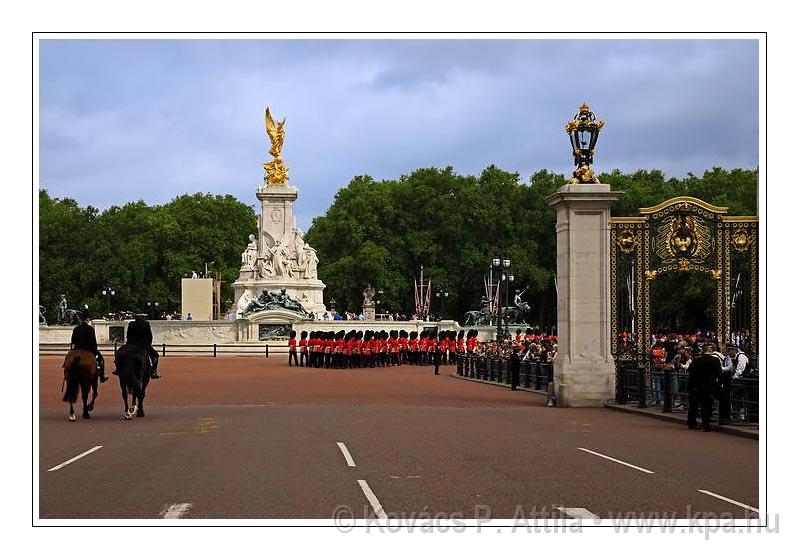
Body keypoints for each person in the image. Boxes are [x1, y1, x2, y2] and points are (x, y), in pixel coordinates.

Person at [686, 344, 721, 431]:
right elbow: (719, 373)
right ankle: (706, 424)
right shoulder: (715, 360)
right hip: (710, 385)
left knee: (695, 405)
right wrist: (719, 383)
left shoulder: (697, 360)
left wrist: (693, 384)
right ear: (710, 351)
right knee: (707, 405)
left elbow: (691, 372)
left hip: (698, 386)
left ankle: (692, 423)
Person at [70, 311, 108, 382]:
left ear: (81, 319)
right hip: (88, 349)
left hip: (77, 350)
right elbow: (93, 342)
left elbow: (73, 341)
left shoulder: (76, 328)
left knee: (68, 360)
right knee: (101, 359)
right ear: (87, 319)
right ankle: (102, 376)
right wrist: (95, 351)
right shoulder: (90, 329)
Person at [720, 344, 750, 425]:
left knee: (744, 398)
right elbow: (730, 368)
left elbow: (740, 368)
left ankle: (747, 417)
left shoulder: (741, 356)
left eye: (729, 351)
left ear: (734, 350)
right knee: (735, 398)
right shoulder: (735, 358)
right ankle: (736, 416)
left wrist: (734, 377)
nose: (728, 353)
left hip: (744, 380)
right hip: (738, 381)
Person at [126, 313, 161, 379]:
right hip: (144, 345)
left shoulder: (131, 324)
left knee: (120, 354)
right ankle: (153, 371)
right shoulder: (146, 324)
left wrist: (129, 344)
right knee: (155, 356)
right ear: (142, 317)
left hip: (131, 345)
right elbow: (149, 336)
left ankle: (118, 369)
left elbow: (128, 336)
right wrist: (148, 345)